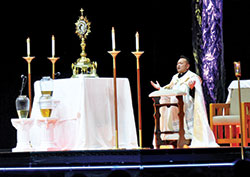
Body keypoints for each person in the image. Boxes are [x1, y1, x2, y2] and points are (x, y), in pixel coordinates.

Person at [151, 55, 218, 147]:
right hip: (173, 101)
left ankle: (185, 134)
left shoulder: (192, 76)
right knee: (164, 99)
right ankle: (169, 133)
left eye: (181, 63)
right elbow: (169, 88)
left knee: (178, 97)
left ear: (187, 66)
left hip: (186, 102)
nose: (178, 65)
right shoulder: (175, 77)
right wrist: (160, 88)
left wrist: (192, 85)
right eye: (177, 63)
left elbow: (196, 86)